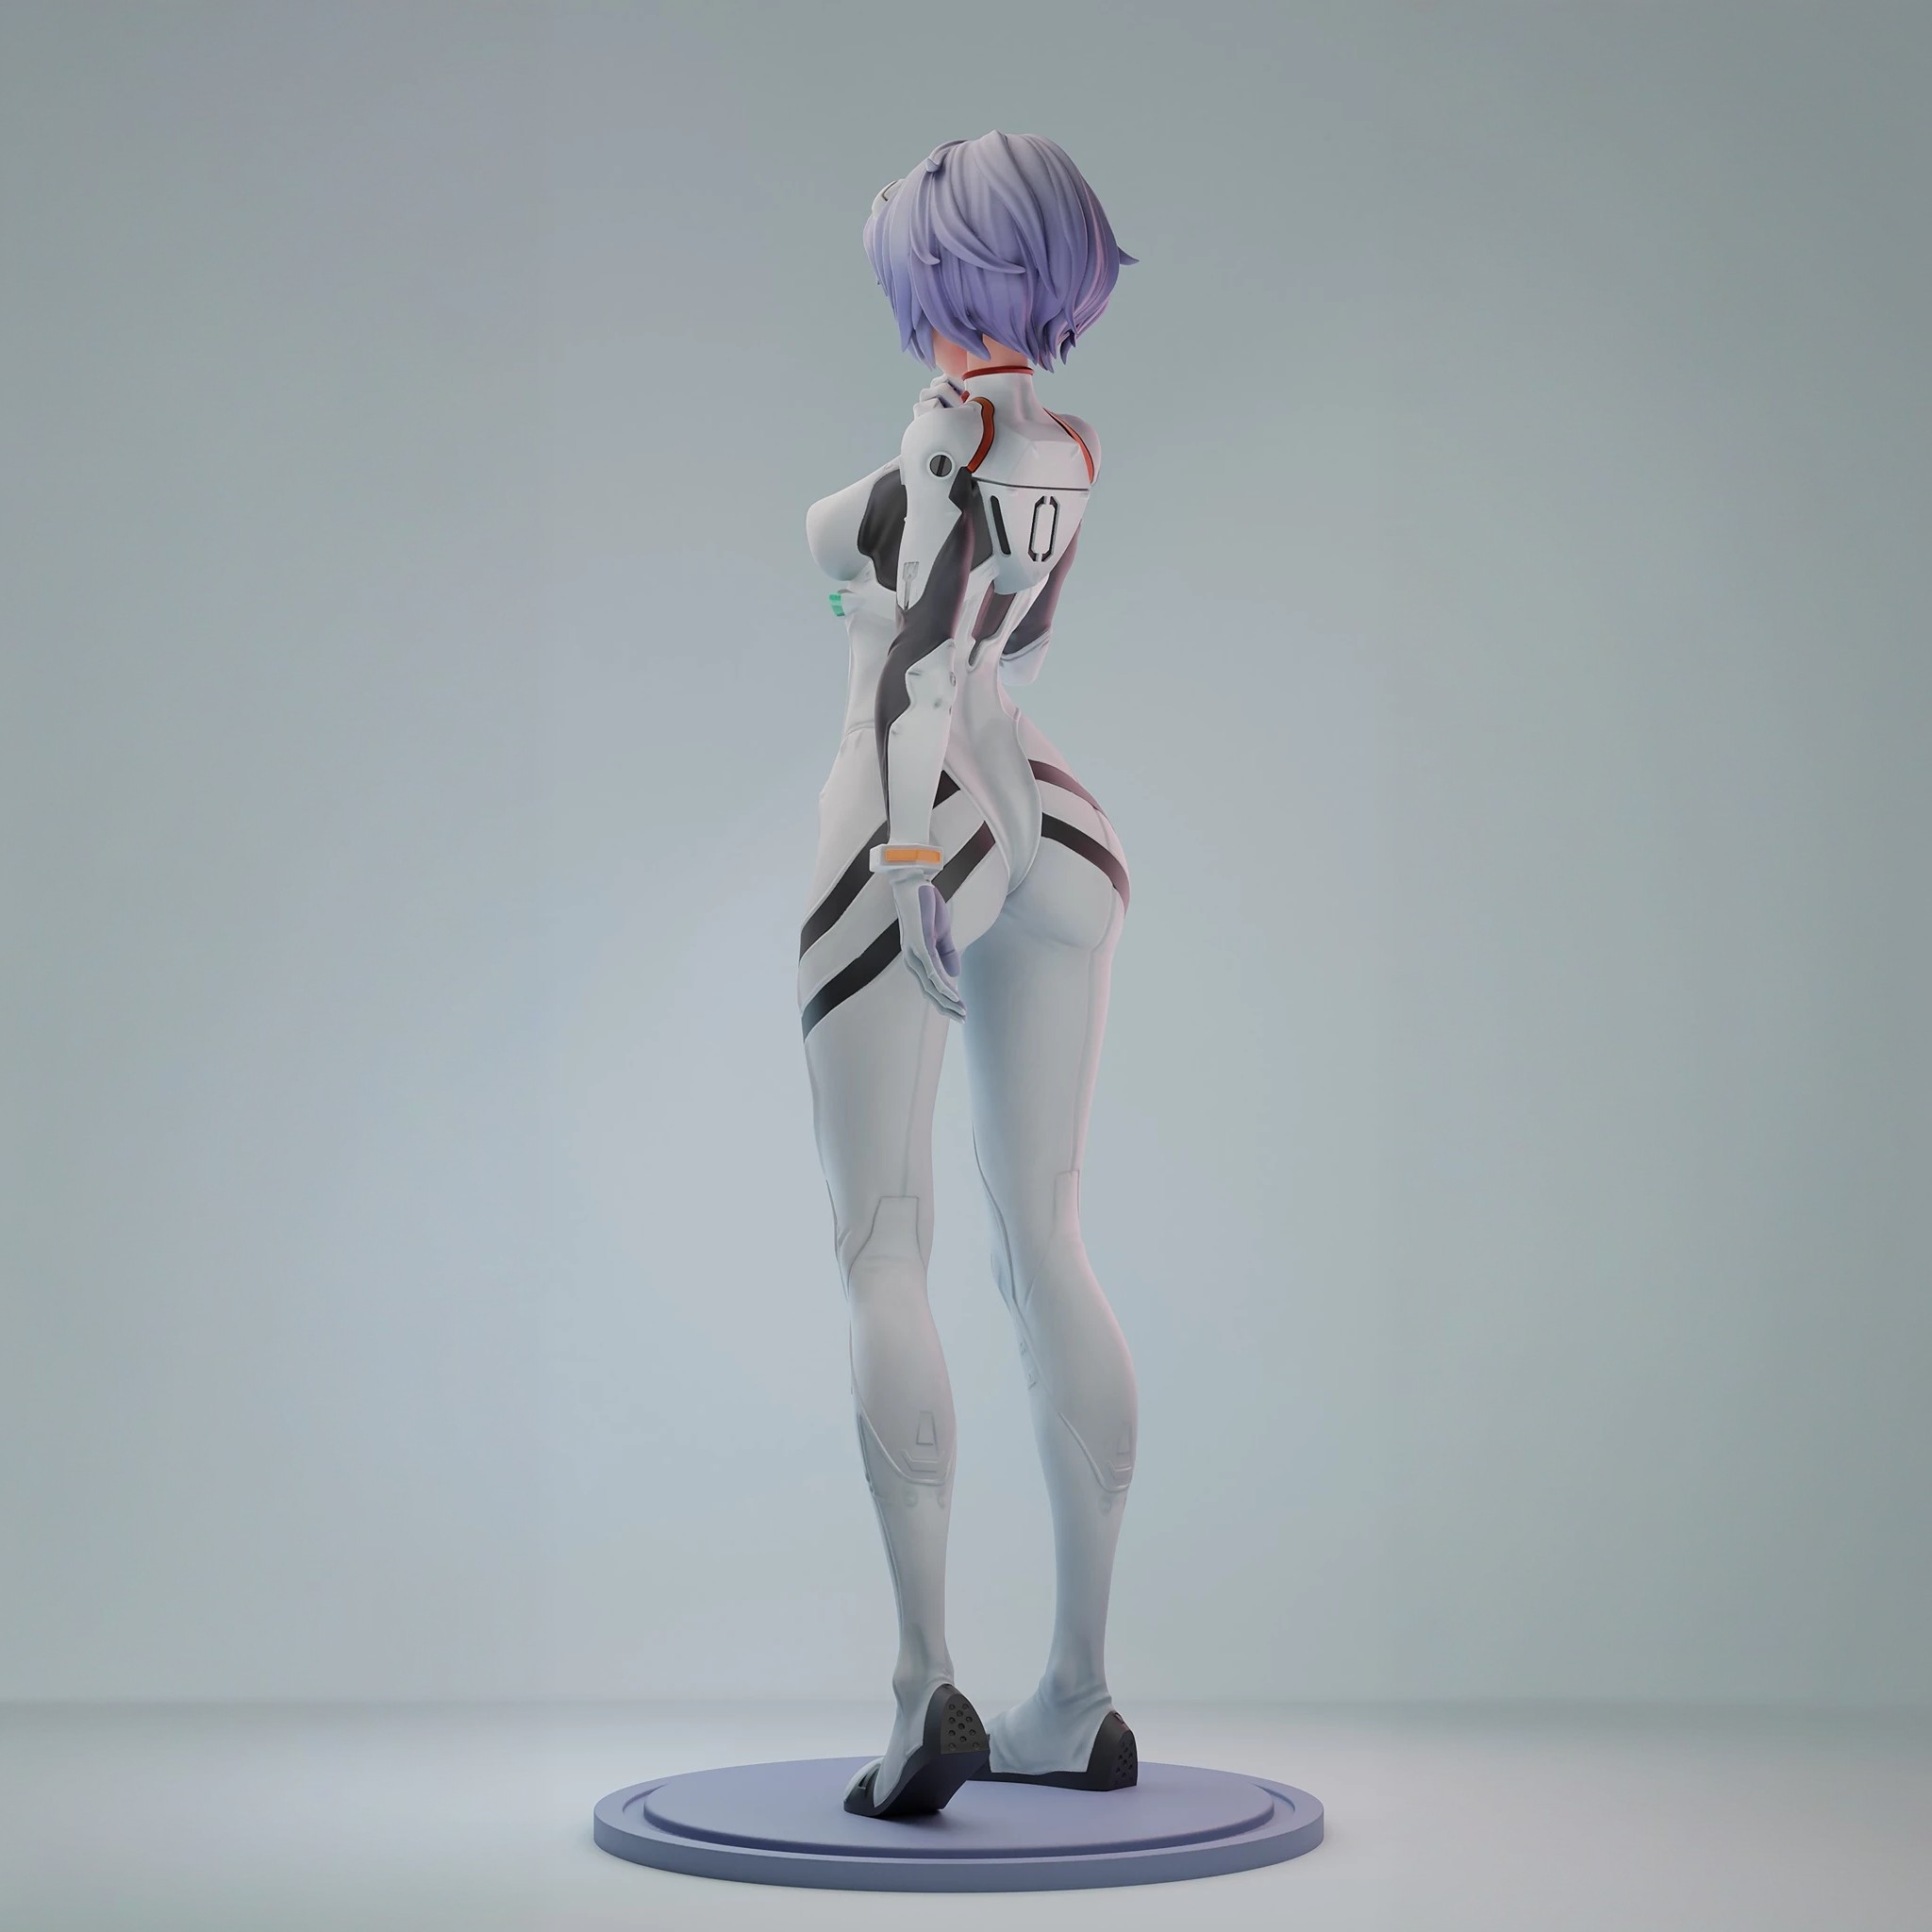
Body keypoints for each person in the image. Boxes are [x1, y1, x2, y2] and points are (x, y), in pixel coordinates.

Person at [799, 133, 1140, 1820]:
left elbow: (917, 671)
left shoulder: (943, 431)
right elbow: (1023, 634)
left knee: (885, 1243)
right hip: (1058, 818)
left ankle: (921, 1689)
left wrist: (911, 862)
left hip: (920, 816)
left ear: (939, 271)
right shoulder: (1067, 444)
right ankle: (1077, 1695)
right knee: (1044, 1236)